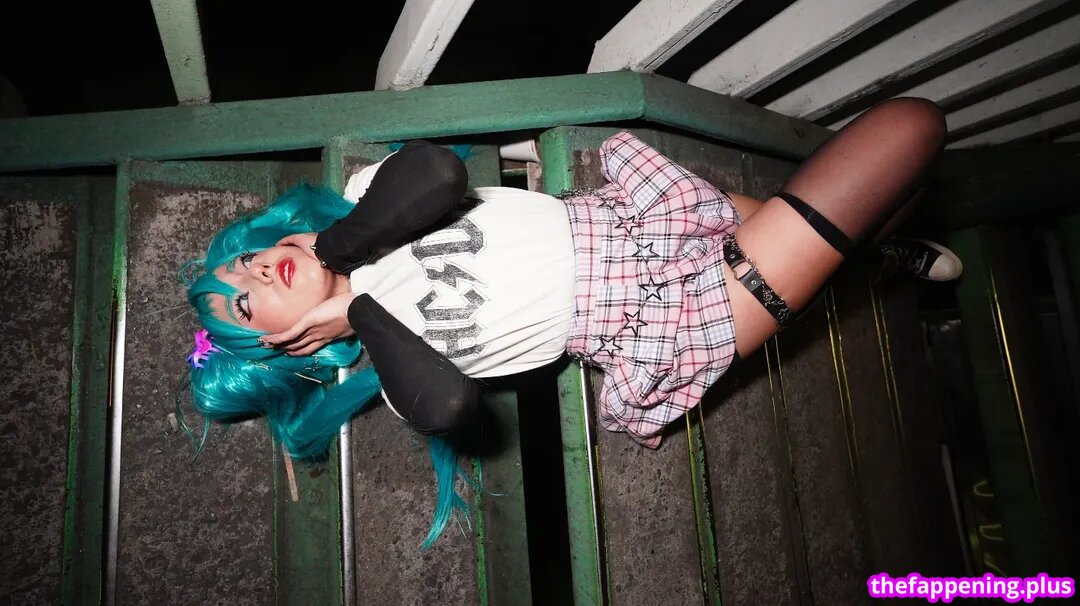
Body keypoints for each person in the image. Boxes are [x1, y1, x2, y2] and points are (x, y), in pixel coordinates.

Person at [180, 97, 950, 545]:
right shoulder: (396, 375)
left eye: (246, 259)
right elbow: (448, 403)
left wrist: (339, 249)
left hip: (640, 217)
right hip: (663, 319)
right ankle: (876, 259)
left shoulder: (367, 196)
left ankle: (878, 262)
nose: (256, 270)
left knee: (839, 234)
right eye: (243, 300)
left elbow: (437, 175)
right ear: (284, 347)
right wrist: (355, 309)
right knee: (909, 127)